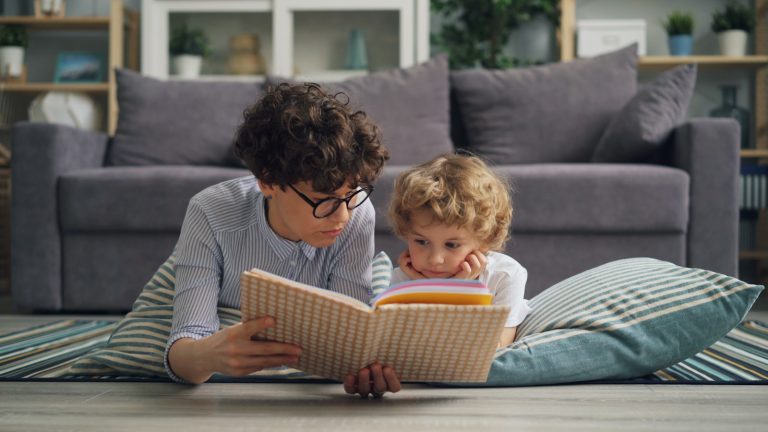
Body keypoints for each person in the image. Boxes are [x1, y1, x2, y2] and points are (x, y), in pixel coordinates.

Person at [165, 82, 398, 398]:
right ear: (268, 182)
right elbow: (186, 343)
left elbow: (349, 331)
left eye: (350, 194)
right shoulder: (211, 212)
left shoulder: (357, 212)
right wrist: (207, 355)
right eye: (323, 199)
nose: (342, 216)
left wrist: (363, 367)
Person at [388, 154, 531, 347]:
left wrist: (455, 293)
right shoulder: (403, 279)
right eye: (421, 242)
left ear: (485, 239)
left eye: (452, 245)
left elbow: (494, 347)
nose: (435, 259)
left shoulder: (505, 276)